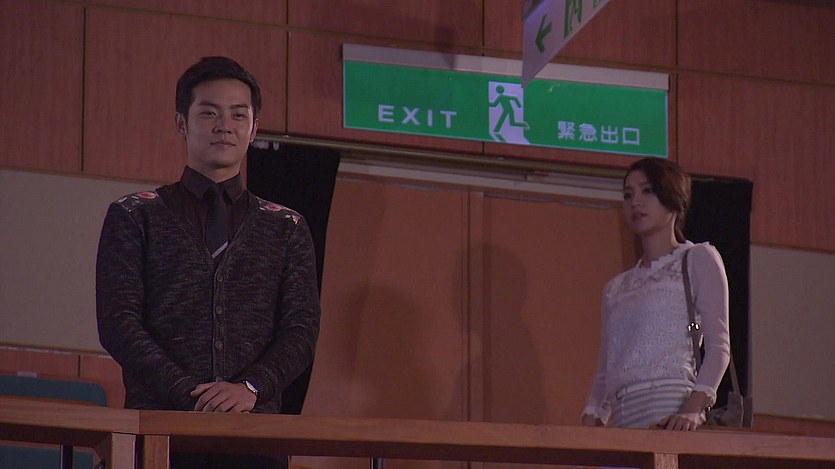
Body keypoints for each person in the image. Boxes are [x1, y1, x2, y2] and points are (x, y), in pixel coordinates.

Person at [96, 56, 321, 468]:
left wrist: (250, 388)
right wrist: (191, 394)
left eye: (239, 114)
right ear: (181, 122)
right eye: (209, 112)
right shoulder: (134, 215)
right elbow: (118, 323)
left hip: (255, 436)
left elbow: (301, 330)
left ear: (254, 128)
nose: (225, 125)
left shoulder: (286, 227)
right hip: (159, 430)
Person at [581, 157, 730, 431]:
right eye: (628, 195)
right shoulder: (615, 287)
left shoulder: (697, 258)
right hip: (621, 418)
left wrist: (691, 411)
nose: (635, 202)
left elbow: (719, 347)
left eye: (647, 191)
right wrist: (591, 419)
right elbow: (605, 369)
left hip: (672, 410)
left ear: (673, 199)